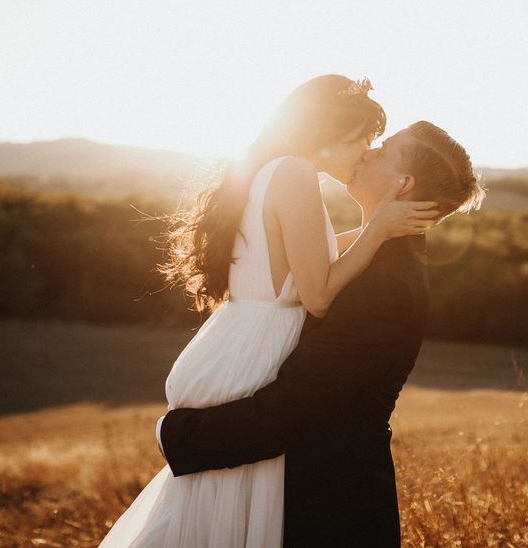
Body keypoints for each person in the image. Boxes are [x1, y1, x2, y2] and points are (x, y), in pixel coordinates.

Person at [98, 75, 440, 547]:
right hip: (258, 347)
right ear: (331, 132)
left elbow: (309, 257)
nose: (365, 151)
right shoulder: (295, 174)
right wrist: (378, 229)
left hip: (239, 339)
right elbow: (318, 294)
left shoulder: (277, 169)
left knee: (218, 505)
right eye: (364, 140)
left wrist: (376, 231)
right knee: (235, 508)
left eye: (375, 146)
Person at [158, 120, 485, 547]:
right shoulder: (372, 260)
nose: (368, 152)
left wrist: (179, 437)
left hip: (330, 509)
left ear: (402, 184)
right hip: (306, 498)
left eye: (384, 149)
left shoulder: (387, 287)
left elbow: (296, 406)